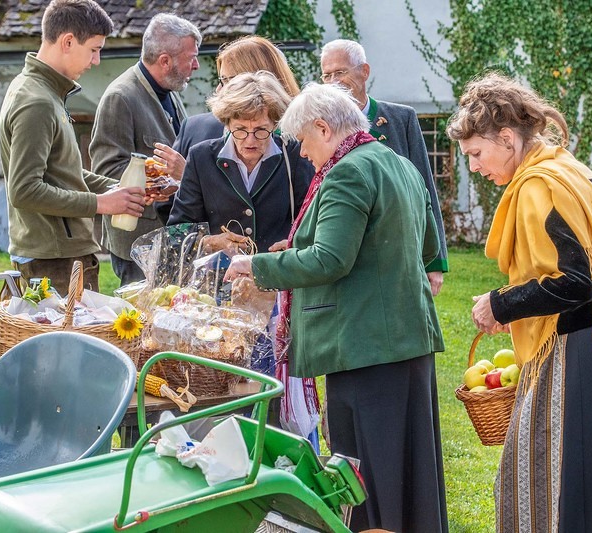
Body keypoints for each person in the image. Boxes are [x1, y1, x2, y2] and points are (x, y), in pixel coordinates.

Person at [224, 83, 447, 532]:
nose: (304, 153)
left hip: (363, 346)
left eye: (304, 141)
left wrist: (256, 264)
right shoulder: (398, 164)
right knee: (411, 471)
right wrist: (302, 248)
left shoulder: (346, 172)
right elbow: (424, 248)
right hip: (406, 341)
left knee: (366, 478)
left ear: (323, 128)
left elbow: (330, 259)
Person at [448, 72, 592, 532]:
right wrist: (517, 306)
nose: (474, 167)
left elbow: (575, 282)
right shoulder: (570, 169)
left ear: (506, 138)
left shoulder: (540, 185)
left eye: (476, 154)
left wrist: (501, 304)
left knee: (550, 484)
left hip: (584, 353)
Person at [0, 0, 146, 296]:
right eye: (94, 49)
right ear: (67, 42)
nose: (96, 61)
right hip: (54, 261)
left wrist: (118, 189)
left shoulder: (44, 90)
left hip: (58, 256)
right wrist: (101, 204)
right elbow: (24, 190)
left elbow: (61, 171)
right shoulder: (37, 101)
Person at [320, 38, 448, 296]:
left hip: (397, 248)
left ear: (364, 71)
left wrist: (435, 262)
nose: (333, 81)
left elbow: (424, 187)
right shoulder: (318, 127)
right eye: (327, 75)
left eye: (340, 72)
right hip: (340, 248)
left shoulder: (401, 119)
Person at [90, 13, 201, 285]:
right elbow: (107, 172)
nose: (196, 65)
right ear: (165, 61)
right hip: (138, 243)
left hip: (169, 238)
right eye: (191, 58)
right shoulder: (120, 97)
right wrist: (168, 176)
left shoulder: (169, 90)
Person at [168, 71, 313, 255]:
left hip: (277, 270)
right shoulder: (201, 157)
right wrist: (210, 243)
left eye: (261, 130)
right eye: (240, 129)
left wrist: (295, 244)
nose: (250, 140)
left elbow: (312, 223)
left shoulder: (294, 154)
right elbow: (176, 233)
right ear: (227, 124)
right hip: (221, 271)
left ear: (275, 124)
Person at [172, 35, 301, 159]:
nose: (218, 89)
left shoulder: (299, 141)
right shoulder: (195, 129)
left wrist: (186, 171)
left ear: (258, 82)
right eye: (221, 80)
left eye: (227, 81)